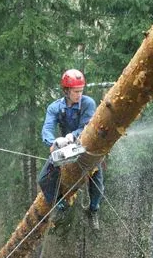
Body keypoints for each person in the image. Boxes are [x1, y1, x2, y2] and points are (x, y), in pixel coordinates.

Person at [38, 69, 104, 230]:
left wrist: (72, 136)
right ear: (66, 91)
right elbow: (47, 128)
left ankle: (93, 210)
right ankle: (61, 206)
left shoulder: (88, 103)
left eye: (81, 91)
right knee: (43, 180)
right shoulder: (55, 107)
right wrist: (53, 142)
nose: (79, 94)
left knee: (97, 182)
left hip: (85, 147)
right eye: (76, 91)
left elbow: (86, 126)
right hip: (65, 148)